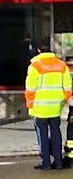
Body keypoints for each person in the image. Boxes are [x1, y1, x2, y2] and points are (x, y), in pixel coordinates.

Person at [24, 39, 72, 170]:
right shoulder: (61, 65)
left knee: (42, 135)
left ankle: (45, 162)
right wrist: (64, 101)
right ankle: (58, 161)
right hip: (56, 106)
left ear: (38, 50)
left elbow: (30, 88)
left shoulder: (35, 66)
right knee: (56, 133)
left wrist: (30, 105)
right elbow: (68, 87)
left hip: (40, 107)